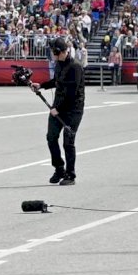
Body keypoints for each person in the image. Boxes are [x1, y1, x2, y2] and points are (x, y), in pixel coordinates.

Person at [31, 37, 85, 186]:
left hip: (73, 110)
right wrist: (40, 86)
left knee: (68, 142)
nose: (51, 53)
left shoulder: (75, 67)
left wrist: (57, 109)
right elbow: (56, 82)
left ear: (58, 51)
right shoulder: (58, 64)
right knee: (51, 137)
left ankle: (70, 175)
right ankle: (59, 168)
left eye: (52, 51)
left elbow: (71, 93)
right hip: (58, 107)